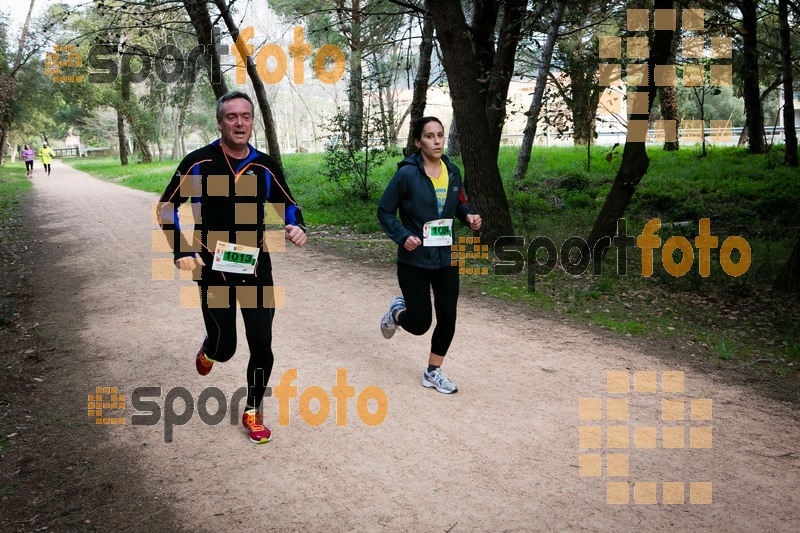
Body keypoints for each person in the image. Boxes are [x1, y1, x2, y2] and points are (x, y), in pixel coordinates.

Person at [158, 91, 307, 443]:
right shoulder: (199, 163)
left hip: (256, 268)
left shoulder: (264, 165)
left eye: (246, 116)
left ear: (252, 121)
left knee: (262, 341)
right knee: (226, 349)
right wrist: (179, 249)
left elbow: (288, 204)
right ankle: (210, 349)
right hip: (212, 268)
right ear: (220, 122)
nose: (240, 123)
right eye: (231, 117)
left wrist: (296, 224)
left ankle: (253, 409)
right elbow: (166, 208)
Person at [377, 116, 482, 394]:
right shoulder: (407, 174)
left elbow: (458, 205)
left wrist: (468, 216)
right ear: (418, 142)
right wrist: (402, 236)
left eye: (440, 135)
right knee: (421, 323)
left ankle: (433, 371)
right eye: (429, 136)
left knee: (448, 317)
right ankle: (396, 313)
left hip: (447, 255)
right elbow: (385, 211)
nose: (436, 141)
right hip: (414, 258)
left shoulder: (452, 170)